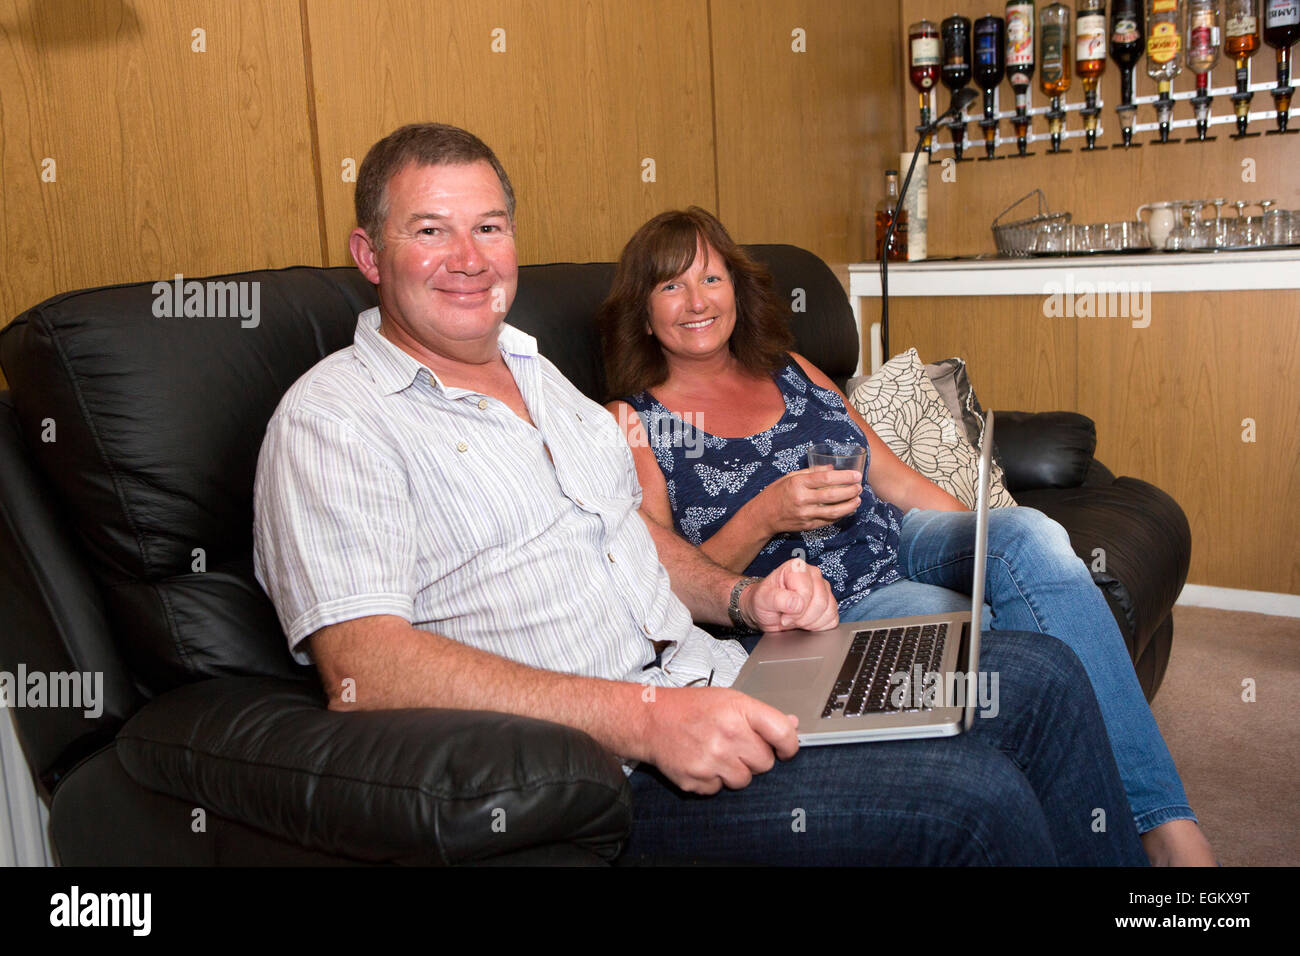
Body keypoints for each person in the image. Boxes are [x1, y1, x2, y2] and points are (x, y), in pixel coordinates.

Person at [253, 122, 1147, 865]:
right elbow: (362, 670)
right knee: (971, 801)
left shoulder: (546, 382)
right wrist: (645, 719)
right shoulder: (333, 419)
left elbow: (639, 544)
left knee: (1040, 677)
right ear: (369, 253)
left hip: (726, 674)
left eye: (488, 227)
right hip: (607, 771)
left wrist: (746, 595)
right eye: (431, 229)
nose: (468, 258)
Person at [600, 205, 1215, 866]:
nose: (696, 301)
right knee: (958, 627)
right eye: (671, 286)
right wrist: (765, 516)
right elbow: (664, 581)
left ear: (737, 291)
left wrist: (981, 541)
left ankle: (1164, 823)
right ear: (643, 311)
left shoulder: (792, 368)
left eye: (711, 280)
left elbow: (892, 481)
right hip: (820, 603)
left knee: (1027, 539)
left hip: (901, 540)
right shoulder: (632, 421)